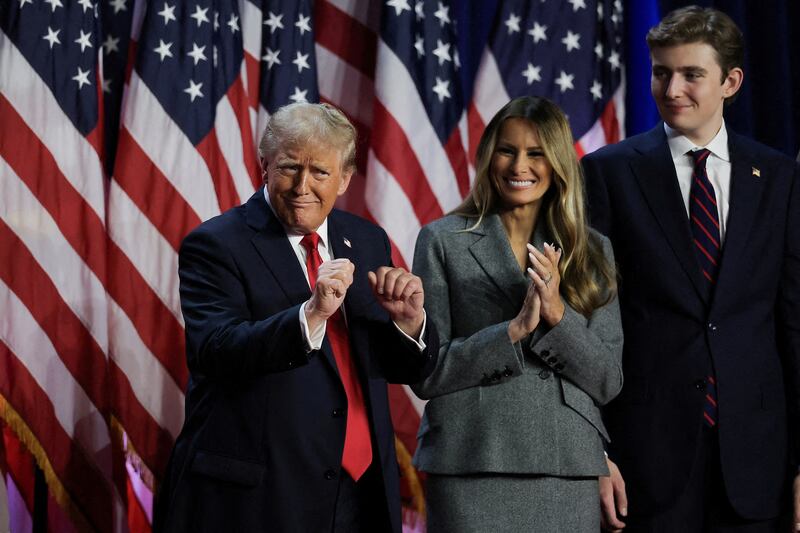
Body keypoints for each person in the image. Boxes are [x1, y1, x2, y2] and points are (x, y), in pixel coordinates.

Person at [153, 102, 439, 533]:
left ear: (344, 179)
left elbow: (400, 367)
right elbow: (214, 350)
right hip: (261, 497)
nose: (302, 186)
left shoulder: (365, 239)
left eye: (320, 173)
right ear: (264, 165)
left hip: (361, 492)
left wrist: (409, 323)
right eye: (289, 167)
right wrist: (311, 315)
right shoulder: (214, 244)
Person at [582, 6, 800, 532]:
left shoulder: (777, 177)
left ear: (731, 81)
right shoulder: (608, 172)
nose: (672, 88)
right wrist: (595, 452)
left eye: (691, 74)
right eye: (661, 72)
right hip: (645, 461)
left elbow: (793, 323)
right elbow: (588, 325)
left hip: (758, 462)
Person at [411, 95, 623, 532]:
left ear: (558, 161)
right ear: (490, 156)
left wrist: (558, 315)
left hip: (566, 466)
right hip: (472, 458)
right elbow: (427, 372)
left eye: (536, 153)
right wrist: (510, 332)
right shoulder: (442, 240)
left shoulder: (592, 250)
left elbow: (607, 379)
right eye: (507, 150)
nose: (518, 166)